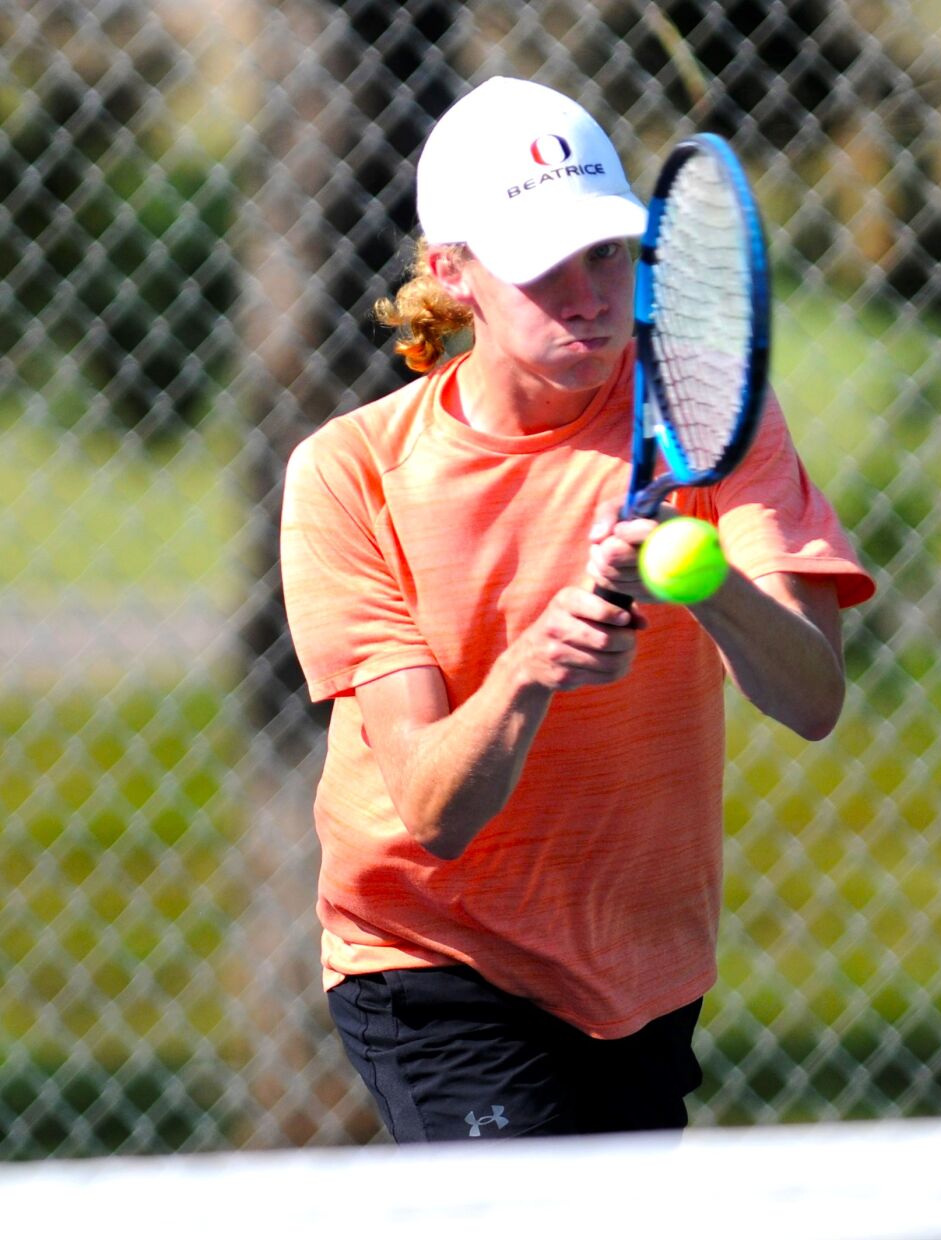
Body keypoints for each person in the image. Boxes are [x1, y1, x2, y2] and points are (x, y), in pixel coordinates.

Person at [280, 76, 875, 1142]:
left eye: (605, 252)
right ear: (450, 273)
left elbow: (812, 693)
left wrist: (708, 584)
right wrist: (534, 662)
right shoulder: (351, 473)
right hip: (433, 955)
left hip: (641, 966)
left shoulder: (702, 412)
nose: (587, 292)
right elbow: (432, 807)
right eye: (540, 263)